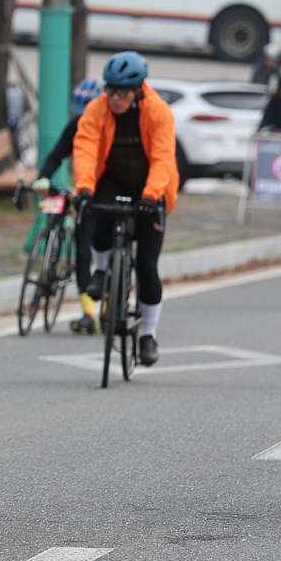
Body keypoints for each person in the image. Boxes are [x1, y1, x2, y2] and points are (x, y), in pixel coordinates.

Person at [71, 49, 180, 363]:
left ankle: (148, 335)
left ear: (138, 90)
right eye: (111, 90)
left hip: (150, 188)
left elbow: (163, 158)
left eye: (123, 92)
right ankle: (102, 271)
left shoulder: (158, 111)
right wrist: (84, 189)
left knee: (146, 265)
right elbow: (86, 148)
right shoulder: (97, 108)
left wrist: (151, 195)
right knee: (93, 212)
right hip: (114, 179)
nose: (115, 98)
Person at [31, 78, 101, 334]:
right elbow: (56, 155)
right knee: (82, 253)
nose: (82, 120)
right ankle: (89, 313)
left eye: (87, 115)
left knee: (102, 249)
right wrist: (44, 178)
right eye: (78, 115)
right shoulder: (75, 127)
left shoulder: (108, 128)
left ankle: (110, 307)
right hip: (83, 192)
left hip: (104, 192)